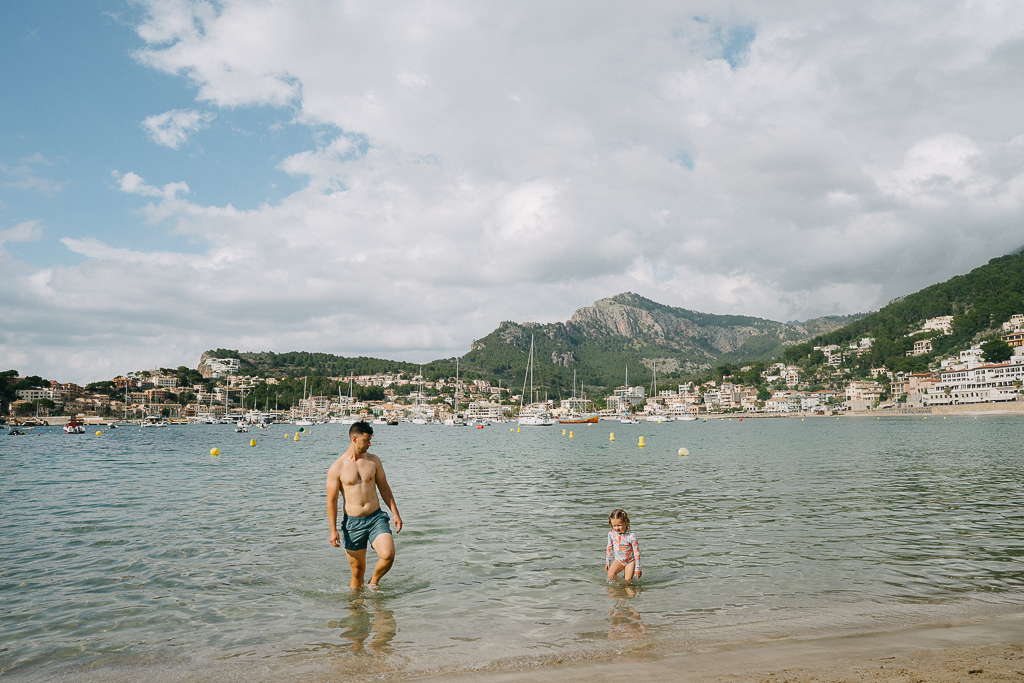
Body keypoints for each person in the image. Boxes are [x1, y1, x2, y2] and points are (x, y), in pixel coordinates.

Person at [327, 421, 403, 589]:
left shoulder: (373, 461)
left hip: (376, 517)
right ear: (354, 439)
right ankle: (356, 609)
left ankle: (373, 583)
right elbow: (332, 501)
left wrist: (395, 513)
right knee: (357, 571)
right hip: (353, 523)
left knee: (388, 555)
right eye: (366, 440)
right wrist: (333, 530)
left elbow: (384, 488)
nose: (370, 444)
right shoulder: (337, 467)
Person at [605, 508, 642, 582]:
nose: (616, 528)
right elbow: (609, 547)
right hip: (618, 560)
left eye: (619, 525)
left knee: (627, 582)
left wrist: (638, 568)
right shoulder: (611, 534)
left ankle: (626, 588)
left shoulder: (631, 536)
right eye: (614, 525)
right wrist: (608, 561)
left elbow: (636, 553)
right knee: (610, 575)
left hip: (630, 561)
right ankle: (619, 587)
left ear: (625, 522)